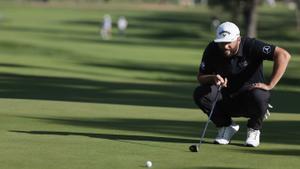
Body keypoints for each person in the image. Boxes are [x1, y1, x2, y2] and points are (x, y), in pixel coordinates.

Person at [193, 22, 291, 147]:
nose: (225, 46)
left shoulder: (251, 45)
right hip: (226, 99)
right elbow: (201, 78)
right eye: (221, 43)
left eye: (229, 42)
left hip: (251, 100)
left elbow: (283, 55)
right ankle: (226, 127)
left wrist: (270, 84)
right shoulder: (212, 48)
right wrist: (212, 78)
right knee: (200, 94)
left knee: (260, 95)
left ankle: (254, 130)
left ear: (238, 39)